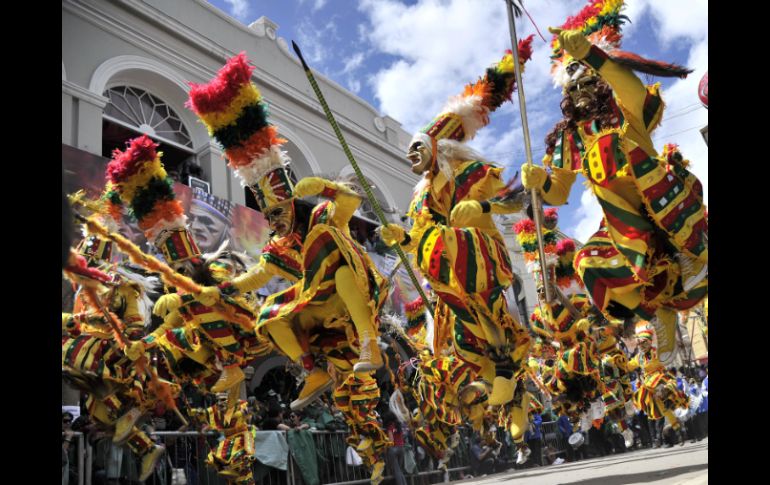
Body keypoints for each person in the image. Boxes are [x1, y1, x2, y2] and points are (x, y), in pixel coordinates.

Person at [523, 0, 707, 334]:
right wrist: (539, 182)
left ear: (600, 82)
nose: (579, 91)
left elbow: (631, 87)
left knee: (620, 156)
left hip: (662, 195)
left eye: (585, 81)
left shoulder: (625, 109)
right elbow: (559, 191)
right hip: (623, 224)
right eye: (572, 86)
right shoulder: (570, 138)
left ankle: (689, 255)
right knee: (587, 262)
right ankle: (655, 314)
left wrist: (591, 54)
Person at [380, 39, 535, 412]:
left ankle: (506, 376)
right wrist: (401, 236)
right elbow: (420, 237)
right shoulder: (419, 196)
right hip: (446, 275)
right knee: (464, 341)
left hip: (481, 259)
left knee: (491, 318)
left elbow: (517, 199)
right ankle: (509, 392)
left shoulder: (472, 172)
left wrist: (479, 205)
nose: (409, 156)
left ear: (435, 146)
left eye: (416, 148)